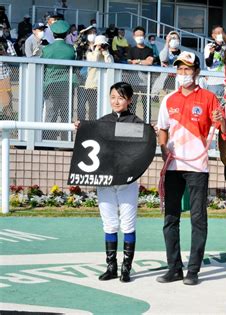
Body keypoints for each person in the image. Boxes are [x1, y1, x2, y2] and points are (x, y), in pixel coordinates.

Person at [156, 51, 226, 286]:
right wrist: (163, 147)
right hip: (173, 165)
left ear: (196, 72)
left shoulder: (208, 98)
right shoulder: (169, 100)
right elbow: (162, 129)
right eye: (180, 69)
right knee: (170, 218)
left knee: (198, 218)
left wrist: (222, 119)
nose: (183, 74)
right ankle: (174, 268)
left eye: (187, 69)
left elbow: (222, 128)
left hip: (197, 166)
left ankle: (193, 270)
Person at [74, 82, 144, 283]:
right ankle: (111, 266)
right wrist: (82, 128)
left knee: (128, 224)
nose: (116, 101)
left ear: (129, 100)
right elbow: (90, 142)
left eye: (121, 97)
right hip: (104, 180)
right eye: (113, 97)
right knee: (109, 223)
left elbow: (142, 148)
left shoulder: (137, 123)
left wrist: (151, 131)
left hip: (128, 181)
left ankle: (126, 268)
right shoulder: (102, 121)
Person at [41, 20, 77, 140]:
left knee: (51, 112)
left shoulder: (46, 49)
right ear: (66, 34)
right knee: (66, 113)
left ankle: (47, 139)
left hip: (50, 84)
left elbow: (42, 67)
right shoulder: (71, 49)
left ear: (53, 34)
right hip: (66, 84)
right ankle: (66, 140)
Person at [82, 35, 114, 120]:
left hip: (105, 86)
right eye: (100, 45)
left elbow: (111, 66)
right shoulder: (90, 54)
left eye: (104, 45)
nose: (102, 47)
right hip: (92, 86)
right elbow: (93, 62)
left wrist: (106, 53)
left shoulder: (108, 56)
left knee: (106, 109)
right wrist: (96, 50)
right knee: (93, 109)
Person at [128, 26, 156, 118]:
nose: (139, 37)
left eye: (141, 35)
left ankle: (147, 122)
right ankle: (131, 121)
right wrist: (143, 62)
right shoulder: (131, 50)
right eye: (137, 35)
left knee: (146, 104)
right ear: (133, 36)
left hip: (146, 82)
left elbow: (149, 62)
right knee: (132, 103)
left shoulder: (149, 50)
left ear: (144, 36)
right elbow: (129, 62)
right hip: (133, 81)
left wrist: (138, 61)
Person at [204, 25, 226, 99]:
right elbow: (208, 64)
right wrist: (212, 53)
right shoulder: (209, 46)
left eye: (222, 32)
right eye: (218, 33)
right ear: (213, 35)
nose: (220, 34)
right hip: (214, 83)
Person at [0, 24, 16, 118]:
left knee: (7, 100)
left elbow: (14, 58)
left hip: (4, 75)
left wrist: (5, 54)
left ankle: (8, 121)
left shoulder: (7, 42)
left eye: (1, 28)